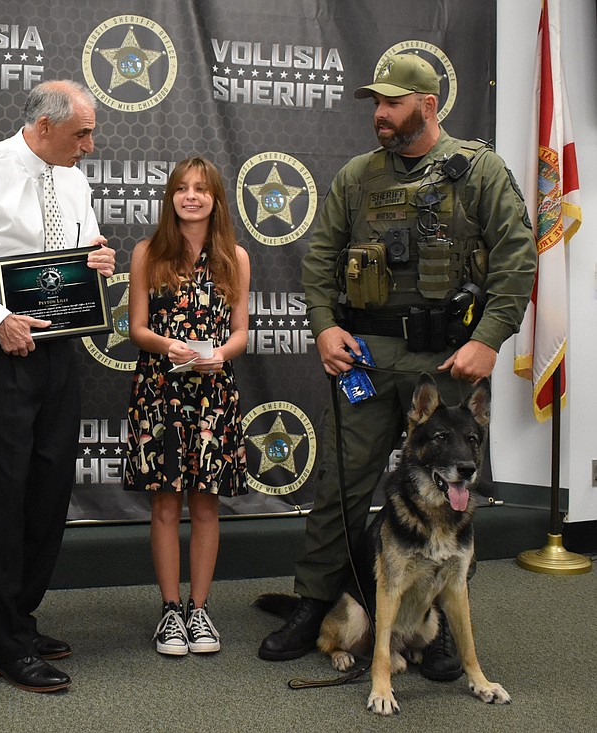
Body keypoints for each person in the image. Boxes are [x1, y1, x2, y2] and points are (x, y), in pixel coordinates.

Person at [257, 54, 537, 680]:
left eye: (391, 102)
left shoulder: (481, 171)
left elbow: (518, 260)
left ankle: (435, 623)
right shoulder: (358, 177)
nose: (379, 114)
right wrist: (326, 325)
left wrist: (490, 339)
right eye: (375, 104)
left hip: (447, 362)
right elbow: (321, 259)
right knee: (341, 484)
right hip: (368, 356)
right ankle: (314, 602)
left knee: (452, 495)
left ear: (428, 104)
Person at [0, 80, 116, 693]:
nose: (89, 145)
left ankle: (12, 616)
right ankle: (6, 642)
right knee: (5, 488)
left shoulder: (73, 177)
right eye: (80, 133)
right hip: (1, 347)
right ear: (42, 127)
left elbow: (83, 243)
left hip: (61, 344)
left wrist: (98, 258)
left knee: (50, 479)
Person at [124, 157, 251, 657]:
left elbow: (241, 330)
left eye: (201, 189)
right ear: (170, 197)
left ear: (216, 198)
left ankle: (200, 611)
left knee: (206, 503)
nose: (191, 196)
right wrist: (167, 345)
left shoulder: (235, 257)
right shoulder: (147, 253)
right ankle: (170, 611)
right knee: (165, 502)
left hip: (213, 393)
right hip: (159, 390)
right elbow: (136, 328)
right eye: (182, 188)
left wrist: (220, 353)